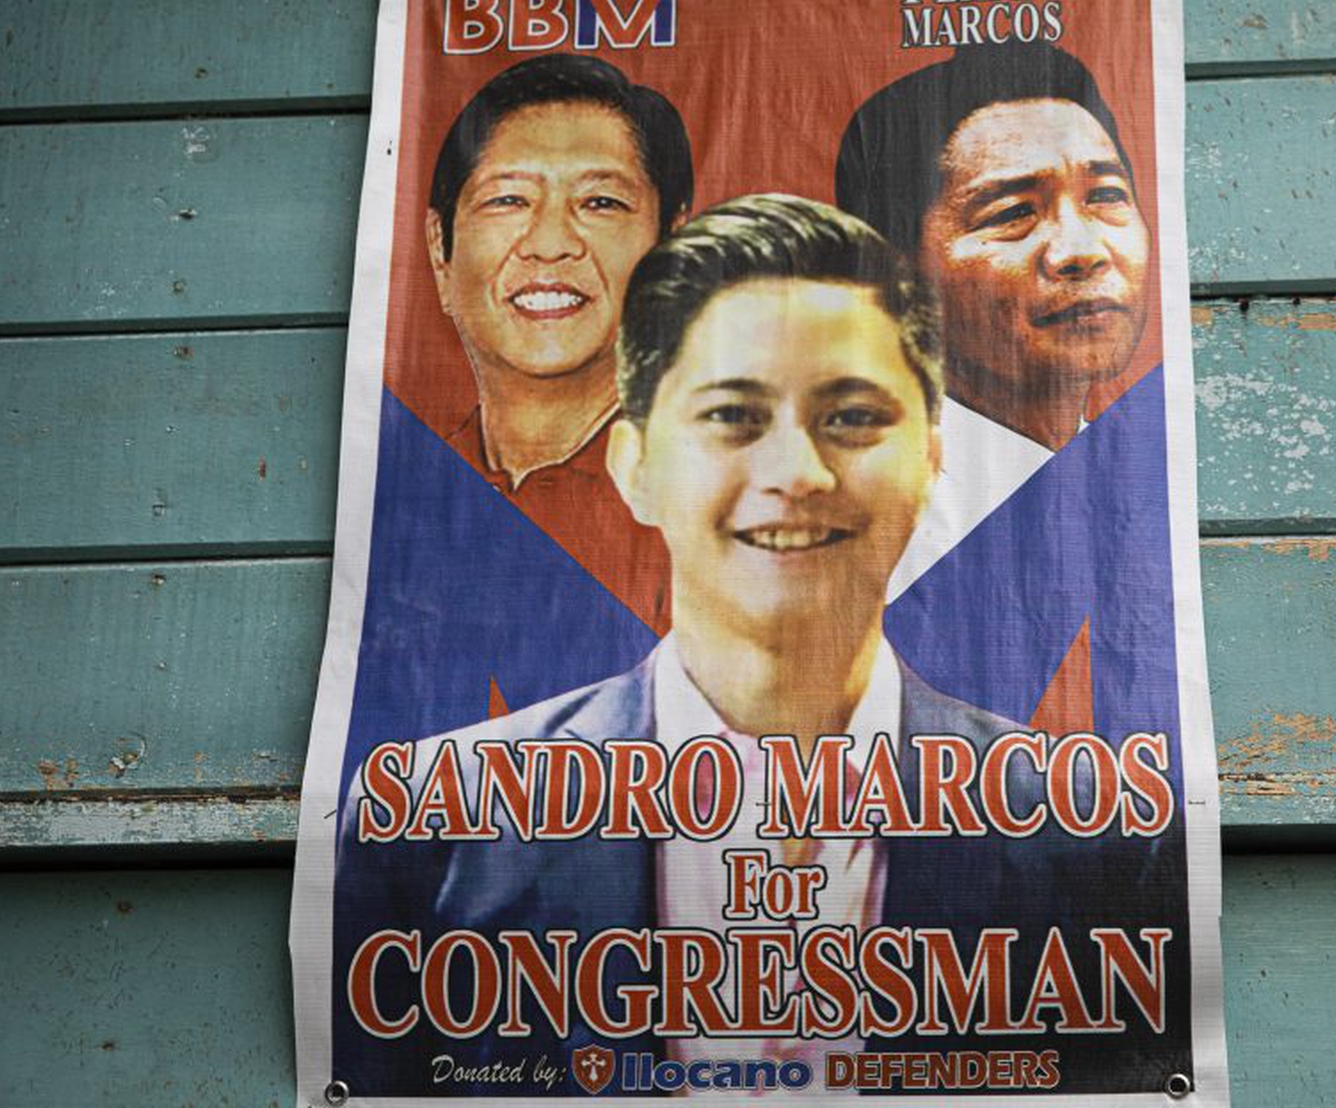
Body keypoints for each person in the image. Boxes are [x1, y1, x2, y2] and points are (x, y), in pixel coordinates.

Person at [333, 197, 1184, 1096]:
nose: (796, 473)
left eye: (852, 417)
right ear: (634, 466)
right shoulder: (430, 822)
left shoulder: (1103, 835)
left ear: (934, 460)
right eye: (733, 416)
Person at [835, 42, 1155, 601]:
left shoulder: (1142, 482)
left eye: (1106, 196)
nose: (1082, 251)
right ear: (894, 273)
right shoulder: (846, 523)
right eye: (1012, 213)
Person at [422, 53, 694, 629]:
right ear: (440, 252)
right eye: (508, 200)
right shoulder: (412, 488)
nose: (549, 245)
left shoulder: (721, 507)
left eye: (600, 203)